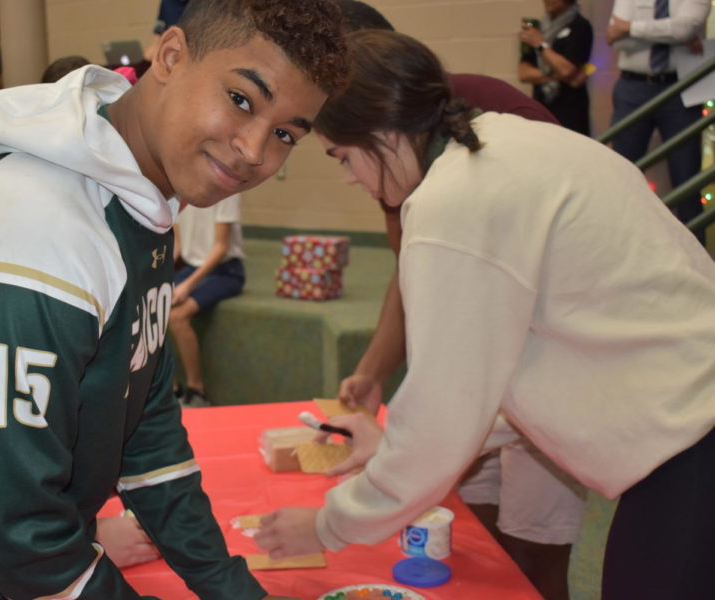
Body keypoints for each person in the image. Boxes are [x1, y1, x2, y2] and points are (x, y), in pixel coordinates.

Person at [0, 1, 347, 598]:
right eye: (241, 99)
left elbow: (144, 424)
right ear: (169, 56)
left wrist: (228, 585)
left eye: (284, 135)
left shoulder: (140, 194)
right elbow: (13, 532)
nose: (254, 150)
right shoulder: (32, 226)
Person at [254, 29, 715, 600]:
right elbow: (496, 379)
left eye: (343, 157)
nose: (351, 178)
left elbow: (449, 405)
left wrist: (328, 524)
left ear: (382, 132)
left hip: (691, 440)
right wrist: (394, 440)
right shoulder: (506, 145)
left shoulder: (451, 203)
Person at [332, 3, 583, 599]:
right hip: (476, 385)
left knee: (533, 552)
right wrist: (374, 371)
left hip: (545, 371)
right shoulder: (383, 148)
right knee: (469, 538)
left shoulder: (466, 121)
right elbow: (413, 269)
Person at [606, 0, 710, 243]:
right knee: (621, 176)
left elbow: (684, 28)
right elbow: (615, 38)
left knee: (687, 182)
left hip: (681, 88)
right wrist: (671, 34)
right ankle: (622, 250)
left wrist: (631, 27)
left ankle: (696, 267)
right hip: (632, 88)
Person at [170, 194, 246, 408]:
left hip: (226, 271)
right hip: (191, 267)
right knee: (152, 307)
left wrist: (188, 285)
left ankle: (197, 390)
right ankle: (170, 386)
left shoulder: (227, 191)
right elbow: (178, 245)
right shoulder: (180, 192)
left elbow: (221, 248)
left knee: (177, 316)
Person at [517, 0, 593, 135]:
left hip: (570, 110)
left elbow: (566, 69)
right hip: (542, 106)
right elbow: (523, 73)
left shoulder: (580, 26)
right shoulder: (537, 29)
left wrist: (540, 44)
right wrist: (556, 76)